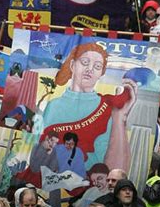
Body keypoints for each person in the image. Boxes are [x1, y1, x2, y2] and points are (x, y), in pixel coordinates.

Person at [40, 42, 137, 176]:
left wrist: (120, 117)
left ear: (101, 74)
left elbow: (117, 173)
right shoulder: (53, 105)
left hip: (91, 186)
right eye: (85, 62)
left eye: (97, 66)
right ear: (73, 65)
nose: (90, 69)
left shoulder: (107, 106)